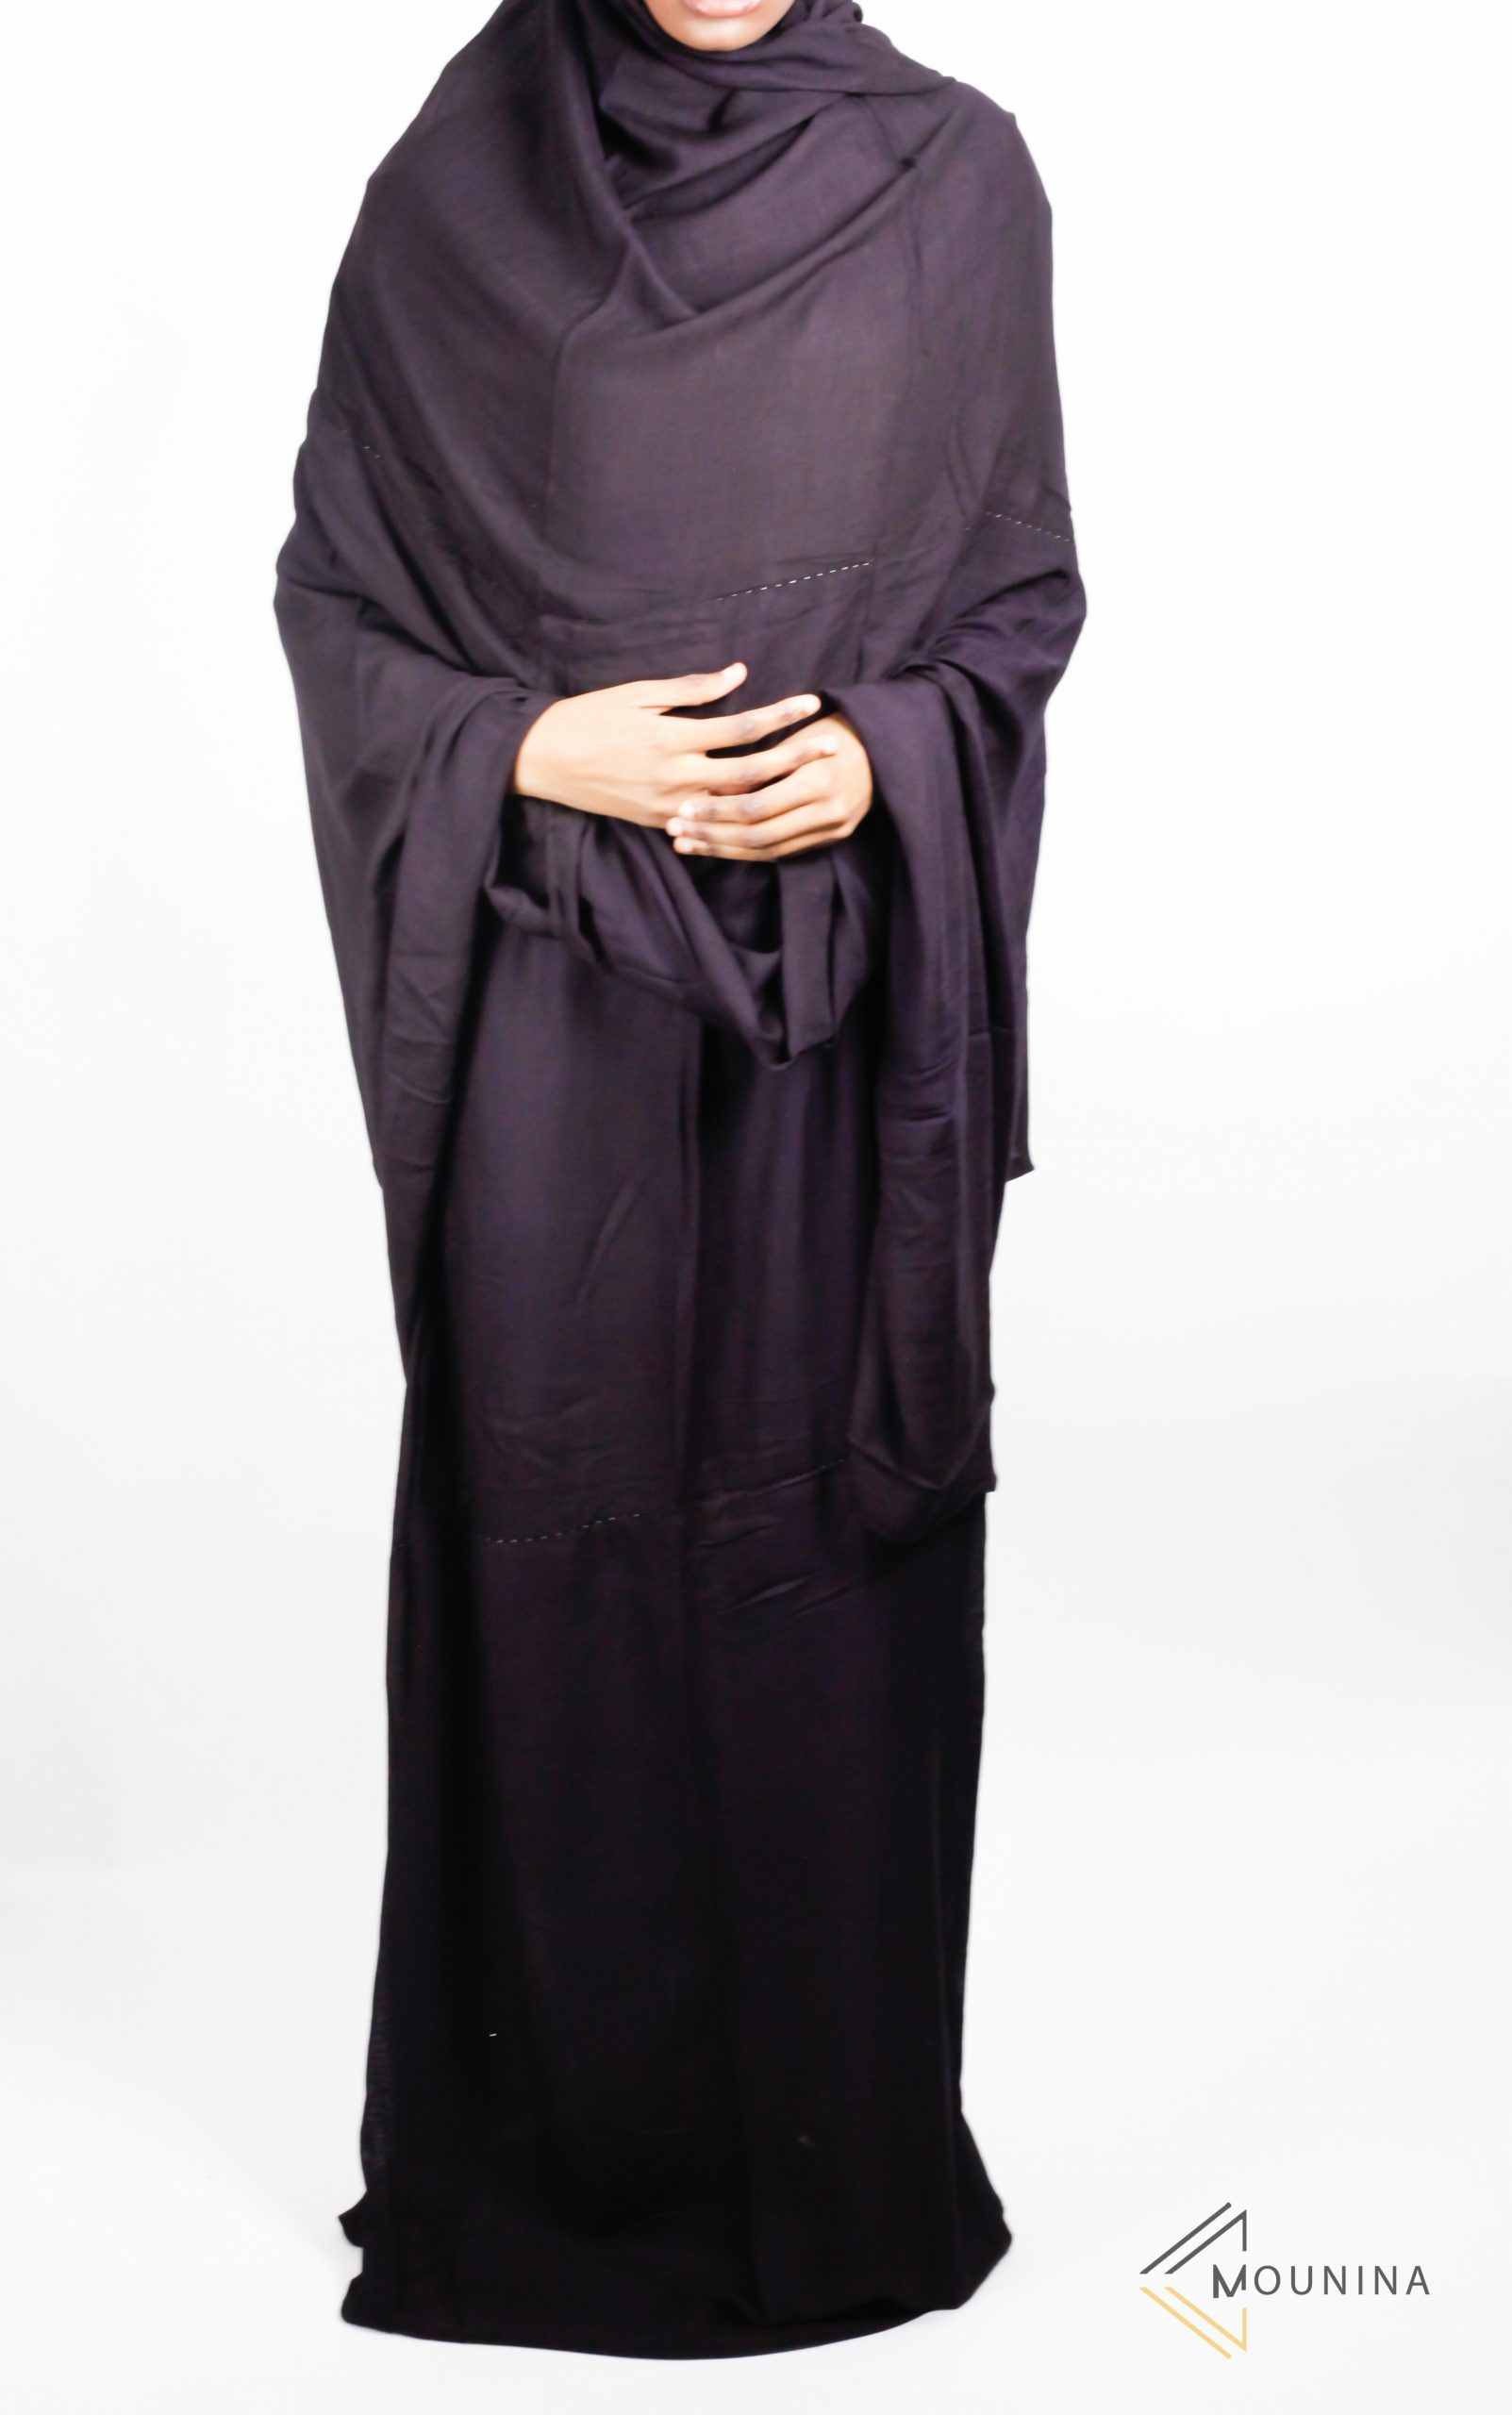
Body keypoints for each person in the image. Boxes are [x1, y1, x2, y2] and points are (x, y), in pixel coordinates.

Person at [274, 0, 1085, 2358]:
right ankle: (557, 2170)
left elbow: (1015, 603)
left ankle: (834, 2156)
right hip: (551, 1007)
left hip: (842, 1026)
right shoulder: (459, 185)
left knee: (816, 1555)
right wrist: (532, 744)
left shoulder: (951, 177)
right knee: (563, 1525)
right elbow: (337, 601)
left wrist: (890, 755)